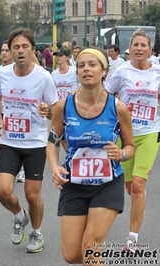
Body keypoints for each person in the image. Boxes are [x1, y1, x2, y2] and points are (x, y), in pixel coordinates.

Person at [47, 47, 135, 265]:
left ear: (104, 71)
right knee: (72, 255)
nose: (86, 69)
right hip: (74, 184)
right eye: (81, 65)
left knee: (91, 247)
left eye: (92, 64)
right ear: (77, 72)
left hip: (107, 183)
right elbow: (52, 140)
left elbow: (131, 146)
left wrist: (122, 153)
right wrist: (54, 166)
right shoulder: (62, 106)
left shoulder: (118, 108)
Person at [0, 28, 58, 253]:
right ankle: (20, 216)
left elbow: (55, 111)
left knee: (32, 194)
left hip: (35, 143)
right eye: (16, 47)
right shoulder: (3, 74)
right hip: (10, 141)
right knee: (2, 190)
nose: (20, 51)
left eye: (25, 47)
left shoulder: (43, 77)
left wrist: (47, 111)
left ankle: (36, 233)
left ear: (32, 50)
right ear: (9, 51)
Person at [106, 28, 160, 254]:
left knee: (137, 186)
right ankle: (139, 196)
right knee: (130, 186)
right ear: (130, 50)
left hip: (150, 132)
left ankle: (132, 239)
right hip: (125, 135)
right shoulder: (122, 71)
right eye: (135, 45)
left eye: (143, 45)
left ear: (150, 49)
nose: (139, 49)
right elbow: (106, 96)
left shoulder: (158, 70)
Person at [0, 41, 26, 182]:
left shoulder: (20, 70)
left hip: (15, 111)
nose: (4, 53)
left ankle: (20, 167)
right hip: (1, 112)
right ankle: (13, 162)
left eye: (6, 50)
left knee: (16, 143)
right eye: (2, 50)